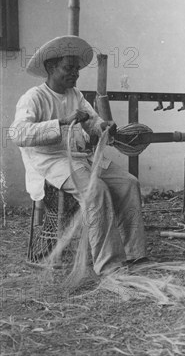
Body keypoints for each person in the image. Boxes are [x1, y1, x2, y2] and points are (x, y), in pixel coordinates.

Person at [10, 35, 147, 275]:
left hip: (80, 158)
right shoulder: (33, 97)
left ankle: (134, 253)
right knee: (96, 191)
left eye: (77, 69)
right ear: (51, 67)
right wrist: (61, 122)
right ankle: (109, 264)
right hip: (51, 161)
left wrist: (102, 127)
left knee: (129, 183)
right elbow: (18, 134)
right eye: (68, 68)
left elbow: (92, 123)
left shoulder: (76, 95)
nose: (75, 74)